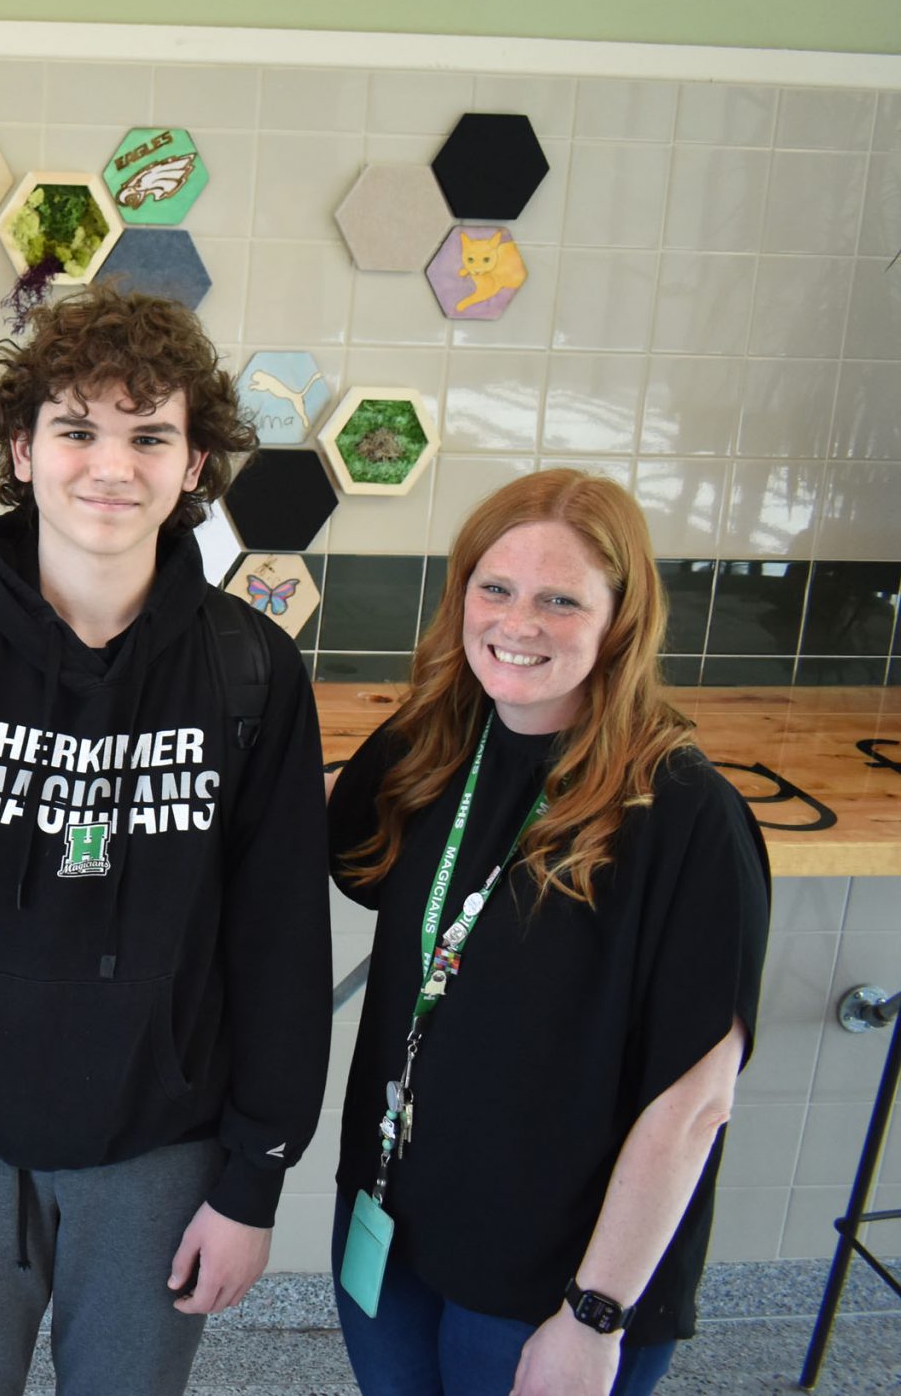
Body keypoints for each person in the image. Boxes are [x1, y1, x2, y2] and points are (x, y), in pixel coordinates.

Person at [0, 285, 332, 1396]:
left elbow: (281, 942)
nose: (112, 465)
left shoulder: (251, 669)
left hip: (164, 1151)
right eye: (76, 430)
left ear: (195, 463)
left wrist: (254, 1182)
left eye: (150, 434)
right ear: (20, 449)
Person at [327, 468, 769, 1395]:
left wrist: (594, 1315)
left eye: (561, 600)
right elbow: (318, 846)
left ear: (622, 620)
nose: (517, 623)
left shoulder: (684, 815)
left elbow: (693, 1105)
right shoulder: (431, 747)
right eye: (496, 588)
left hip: (552, 1277)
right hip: (392, 1225)